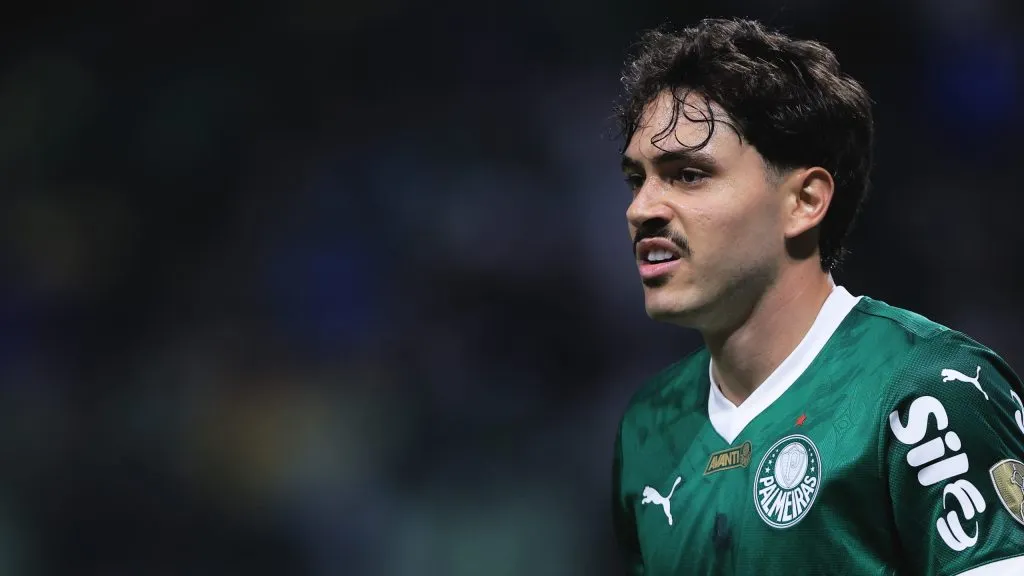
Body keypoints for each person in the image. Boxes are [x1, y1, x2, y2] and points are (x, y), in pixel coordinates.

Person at [611, 17, 1024, 576]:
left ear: (804, 201)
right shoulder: (648, 423)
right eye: (638, 179)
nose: (642, 209)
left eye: (687, 175)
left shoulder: (927, 392)